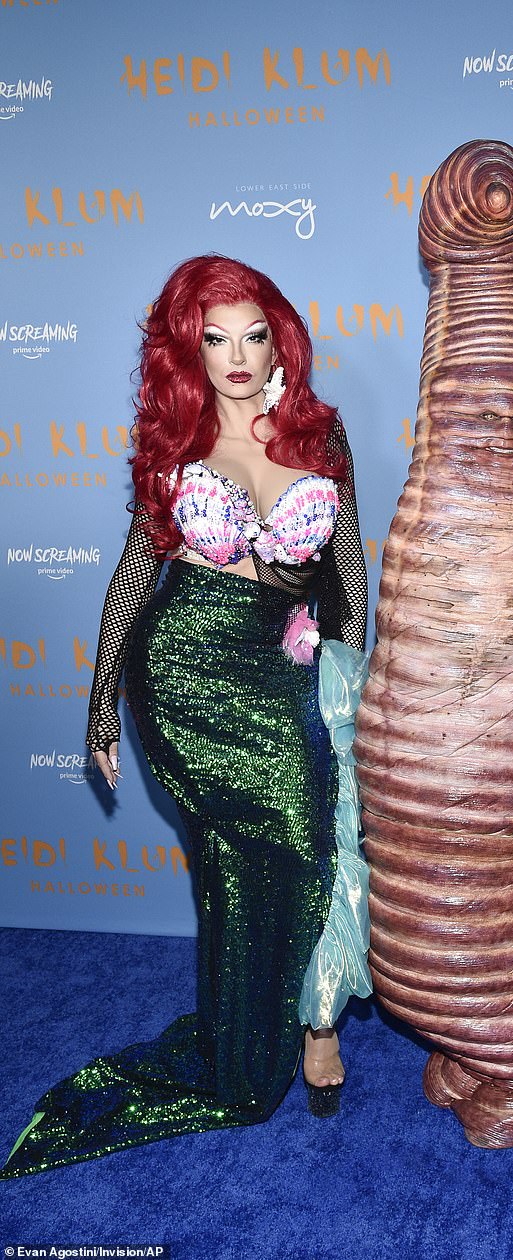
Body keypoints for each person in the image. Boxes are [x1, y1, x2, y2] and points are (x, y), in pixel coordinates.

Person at [1, 255, 371, 1178]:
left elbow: (350, 572)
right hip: (183, 671)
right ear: (189, 349)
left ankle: (313, 1014)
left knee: (311, 838)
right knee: (234, 860)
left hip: (280, 664)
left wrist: (347, 681)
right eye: (215, 338)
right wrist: (99, 709)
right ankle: (280, 1026)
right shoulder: (177, 440)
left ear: (279, 341)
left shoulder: (320, 436)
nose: (236, 356)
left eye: (253, 335)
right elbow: (134, 579)